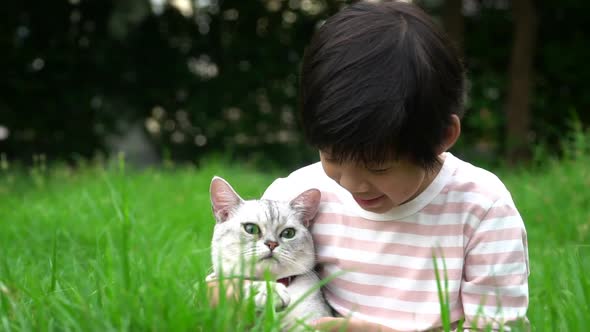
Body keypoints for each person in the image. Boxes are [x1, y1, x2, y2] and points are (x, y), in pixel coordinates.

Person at [259, 1, 529, 331]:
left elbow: (497, 326)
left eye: (379, 167)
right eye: (331, 156)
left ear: (442, 137)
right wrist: (236, 293)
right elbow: (226, 287)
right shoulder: (296, 198)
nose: (352, 183)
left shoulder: (482, 208)